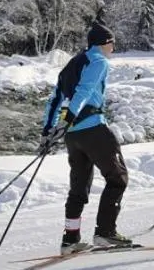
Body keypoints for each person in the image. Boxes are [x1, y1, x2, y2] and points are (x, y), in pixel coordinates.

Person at [40, 23, 132, 255]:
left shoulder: (72, 64)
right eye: (112, 43)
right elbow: (84, 90)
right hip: (93, 130)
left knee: (78, 187)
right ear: (103, 43)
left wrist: (48, 131)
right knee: (117, 178)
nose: (114, 47)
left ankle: (70, 239)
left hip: (73, 137)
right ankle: (105, 233)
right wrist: (68, 117)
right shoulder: (99, 61)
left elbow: (53, 100)